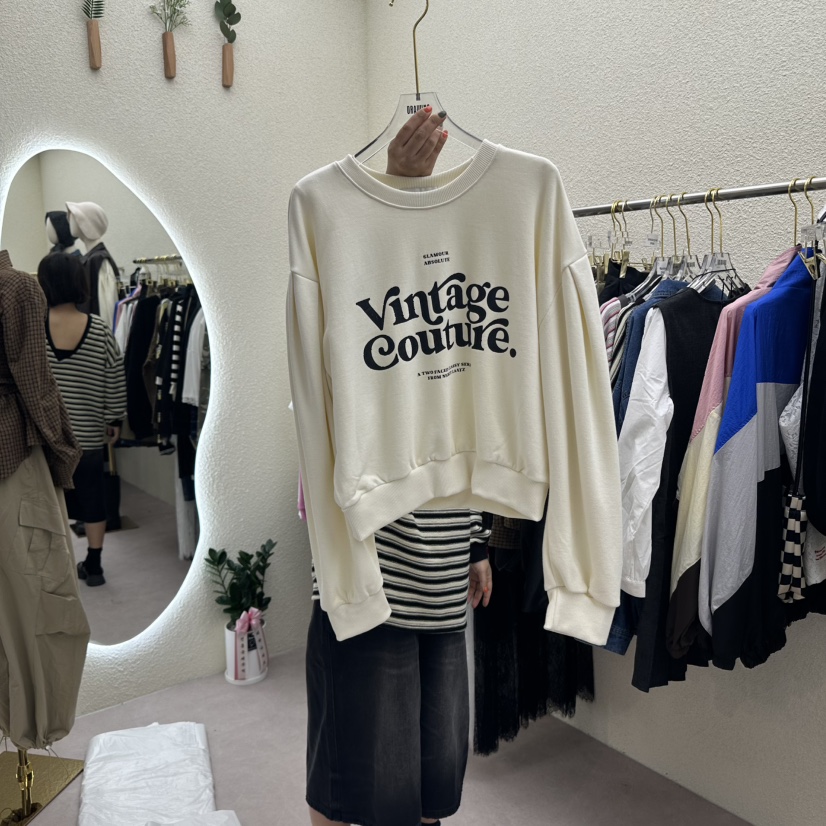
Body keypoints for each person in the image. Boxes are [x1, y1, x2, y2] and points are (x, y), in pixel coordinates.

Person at [304, 109, 493, 826]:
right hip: (366, 565)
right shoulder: (345, 270)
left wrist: (478, 542)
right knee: (350, 772)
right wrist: (392, 187)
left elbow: (475, 417)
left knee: (432, 775)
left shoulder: (469, 278)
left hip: (444, 569)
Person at [38, 252, 127, 587]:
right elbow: (114, 377)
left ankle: (56, 567)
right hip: (88, 437)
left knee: (50, 503)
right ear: (79, 282)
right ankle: (95, 565)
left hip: (47, 439)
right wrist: (113, 419)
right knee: (93, 500)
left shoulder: (35, 330)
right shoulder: (100, 329)